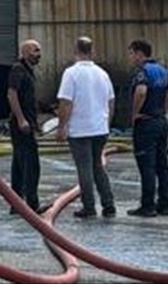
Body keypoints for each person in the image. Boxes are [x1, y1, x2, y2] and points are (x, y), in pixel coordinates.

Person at [55, 37, 117, 219]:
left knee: (84, 168)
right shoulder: (102, 74)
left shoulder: (71, 73)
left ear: (75, 50)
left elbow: (66, 103)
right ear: (92, 51)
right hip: (100, 128)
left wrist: (61, 127)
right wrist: (106, 124)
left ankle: (89, 207)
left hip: (80, 129)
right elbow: (111, 101)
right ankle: (109, 204)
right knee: (98, 166)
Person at [126, 39, 168, 218]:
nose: (130, 57)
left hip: (146, 122)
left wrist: (134, 114)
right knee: (162, 165)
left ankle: (147, 206)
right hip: (161, 121)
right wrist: (164, 109)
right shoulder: (163, 71)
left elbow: (141, 92)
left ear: (140, 54)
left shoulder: (143, 72)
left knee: (147, 165)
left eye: (131, 53)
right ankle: (164, 204)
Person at [6, 39, 44, 214]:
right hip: (20, 124)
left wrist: (35, 123)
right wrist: (21, 120)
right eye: (35, 51)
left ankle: (17, 203)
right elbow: (12, 94)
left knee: (20, 163)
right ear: (25, 52)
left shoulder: (28, 71)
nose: (38, 54)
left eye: (39, 51)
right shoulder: (18, 70)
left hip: (27, 123)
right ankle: (31, 204)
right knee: (31, 164)